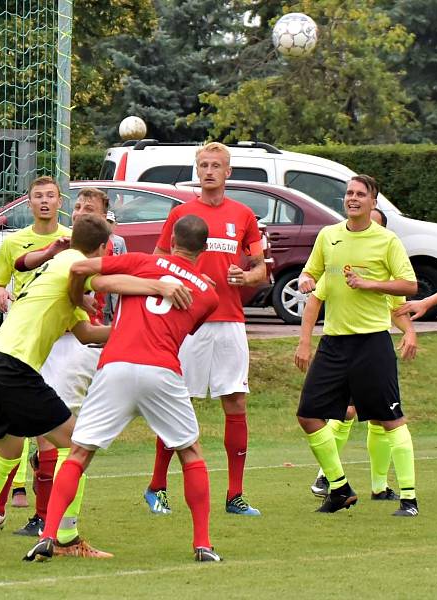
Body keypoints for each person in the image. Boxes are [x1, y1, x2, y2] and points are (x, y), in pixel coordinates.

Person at [0, 214, 192, 555]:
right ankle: (67, 537)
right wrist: (160, 286)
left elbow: (87, 334)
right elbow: (111, 284)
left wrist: (135, 333)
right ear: (101, 248)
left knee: (7, 453)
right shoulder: (74, 262)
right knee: (77, 445)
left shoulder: (62, 273)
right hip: (13, 366)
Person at [25, 215, 222, 562]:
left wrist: (82, 299)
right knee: (190, 453)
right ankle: (203, 545)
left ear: (171, 238)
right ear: (203, 249)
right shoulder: (209, 295)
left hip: (115, 364)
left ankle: (49, 534)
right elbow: (184, 319)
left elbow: (81, 269)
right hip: (161, 370)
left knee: (80, 454)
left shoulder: (143, 261)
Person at [144, 142, 266, 517]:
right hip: (189, 323)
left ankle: (235, 495)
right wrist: (180, 280)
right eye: (203, 165)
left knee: (236, 401)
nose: (209, 171)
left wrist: (245, 275)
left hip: (230, 321)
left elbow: (261, 270)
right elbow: (159, 260)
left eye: (216, 165)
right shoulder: (181, 214)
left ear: (228, 172)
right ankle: (157, 487)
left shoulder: (243, 215)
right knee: (179, 403)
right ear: (197, 171)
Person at [294, 174, 419, 517]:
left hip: (371, 343)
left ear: (373, 202)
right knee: (308, 415)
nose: (352, 198)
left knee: (389, 419)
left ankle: (409, 499)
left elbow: (409, 284)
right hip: (334, 344)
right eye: (349, 193)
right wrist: (306, 280)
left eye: (360, 194)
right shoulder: (328, 236)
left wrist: (370, 283)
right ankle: (339, 488)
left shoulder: (387, 240)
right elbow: (311, 274)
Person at [0, 176, 72, 535]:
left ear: (60, 202)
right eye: (38, 197)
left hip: (59, 343)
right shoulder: (14, 243)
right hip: (19, 344)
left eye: (51, 196)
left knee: (48, 432)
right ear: (29, 203)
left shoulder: (69, 241)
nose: (45, 202)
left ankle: (42, 515)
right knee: (10, 431)